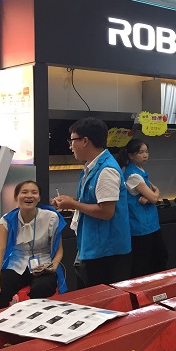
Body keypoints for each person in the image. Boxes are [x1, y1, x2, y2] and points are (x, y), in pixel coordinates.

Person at [54, 117, 131, 287]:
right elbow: (94, 200)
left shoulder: (106, 170)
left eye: (72, 141)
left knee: (103, 297)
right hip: (94, 246)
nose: (70, 146)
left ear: (85, 141)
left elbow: (106, 212)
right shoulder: (92, 166)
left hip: (107, 252)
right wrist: (71, 200)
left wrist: (73, 205)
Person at [0, 181, 66, 313]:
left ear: (39, 198)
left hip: (43, 266)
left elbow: (59, 250)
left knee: (42, 289)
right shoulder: (7, 221)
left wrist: (52, 267)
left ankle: (33, 322)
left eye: (34, 192)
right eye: (24, 192)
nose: (29, 196)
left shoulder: (51, 218)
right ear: (16, 197)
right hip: (16, 265)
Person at [116, 138, 168, 278]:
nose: (145, 155)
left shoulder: (140, 171)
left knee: (159, 258)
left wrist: (150, 196)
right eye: (141, 152)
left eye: (146, 152)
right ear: (131, 155)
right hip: (140, 227)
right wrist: (154, 194)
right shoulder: (133, 175)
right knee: (143, 264)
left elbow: (151, 194)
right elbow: (154, 196)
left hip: (149, 224)